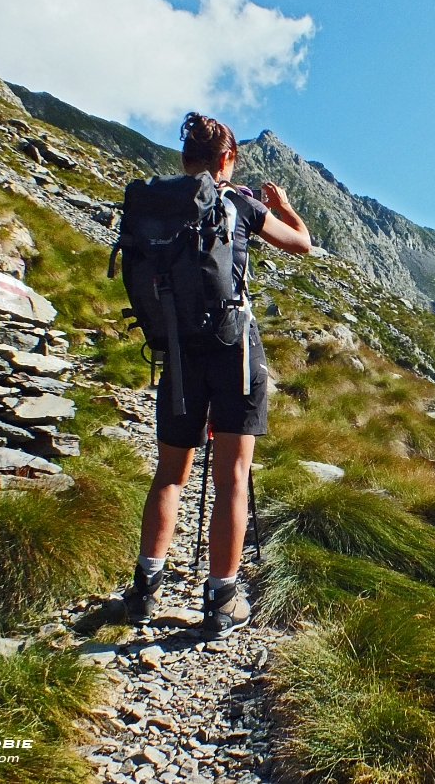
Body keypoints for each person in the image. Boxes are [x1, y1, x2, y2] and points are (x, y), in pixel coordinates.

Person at [123, 112, 311, 635]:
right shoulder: (239, 204)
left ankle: (144, 589)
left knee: (168, 474)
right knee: (232, 475)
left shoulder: (161, 207)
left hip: (177, 351)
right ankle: (222, 597)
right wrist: (286, 208)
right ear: (227, 159)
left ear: (186, 160)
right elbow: (303, 244)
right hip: (233, 351)